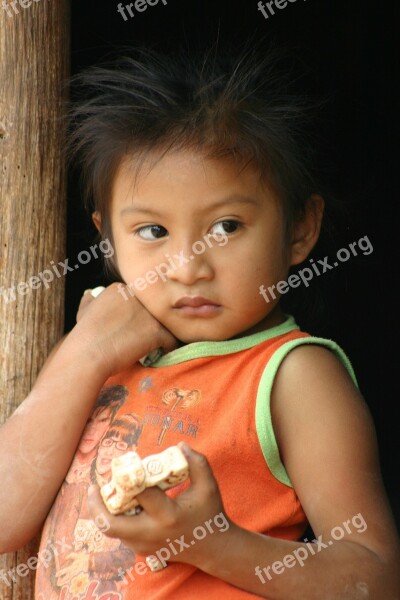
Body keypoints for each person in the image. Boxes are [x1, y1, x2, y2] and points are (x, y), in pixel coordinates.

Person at [0, 43, 399, 600]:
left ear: (301, 231)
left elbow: (375, 577)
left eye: (227, 226)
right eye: (152, 232)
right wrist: (84, 353)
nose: (188, 268)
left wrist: (211, 543)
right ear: (107, 240)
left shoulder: (290, 377)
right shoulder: (95, 350)